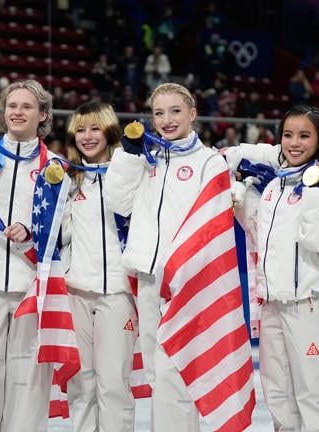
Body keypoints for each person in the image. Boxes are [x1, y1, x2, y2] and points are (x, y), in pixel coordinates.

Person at [103, 82, 231, 431]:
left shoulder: (209, 162)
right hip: (148, 280)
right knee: (157, 374)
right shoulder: (148, 159)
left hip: (186, 283)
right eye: (159, 113)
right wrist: (129, 156)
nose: (167, 119)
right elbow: (118, 203)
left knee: (178, 372)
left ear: (192, 114)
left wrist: (181, 270)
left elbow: (211, 226)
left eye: (175, 111)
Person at [231, 105, 319, 431]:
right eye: (288, 135)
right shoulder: (274, 187)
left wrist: (316, 190)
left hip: (309, 304)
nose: (294, 143)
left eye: (304, 135)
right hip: (273, 305)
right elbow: (258, 233)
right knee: (278, 396)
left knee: (314, 396)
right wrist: (243, 194)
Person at [0, 79, 58, 432]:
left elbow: (63, 228)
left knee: (29, 382)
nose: (17, 112)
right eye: (12, 106)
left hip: (31, 286)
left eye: (26, 106)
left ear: (42, 114)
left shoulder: (55, 167)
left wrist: (31, 233)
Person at [60, 101, 138, 432]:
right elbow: (59, 237)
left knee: (114, 383)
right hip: (75, 292)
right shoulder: (67, 179)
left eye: (95, 128)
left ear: (110, 131)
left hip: (118, 294)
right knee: (80, 383)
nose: (88, 136)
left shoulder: (132, 174)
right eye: (80, 130)